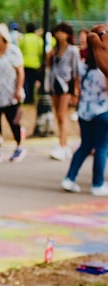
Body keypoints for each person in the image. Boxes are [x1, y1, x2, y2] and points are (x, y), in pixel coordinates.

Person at [60, 35, 108, 196]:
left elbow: (77, 87)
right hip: (102, 110)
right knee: (102, 147)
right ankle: (98, 184)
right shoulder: (104, 68)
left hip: (84, 110)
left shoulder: (82, 66)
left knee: (85, 145)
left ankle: (70, 178)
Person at [0, 23, 27, 162]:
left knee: (13, 120)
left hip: (10, 92)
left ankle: (19, 145)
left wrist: (18, 88)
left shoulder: (13, 51)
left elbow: (20, 71)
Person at [45, 22, 81, 161]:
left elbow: (76, 71)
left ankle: (63, 143)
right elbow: (48, 66)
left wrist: (76, 90)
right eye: (57, 32)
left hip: (66, 84)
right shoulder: (54, 50)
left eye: (62, 32)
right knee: (58, 115)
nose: (59, 35)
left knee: (62, 114)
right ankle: (62, 142)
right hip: (54, 83)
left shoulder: (72, 50)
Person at [18, 22, 44, 105]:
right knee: (32, 82)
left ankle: (27, 98)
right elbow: (41, 52)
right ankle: (31, 98)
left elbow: (19, 50)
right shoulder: (38, 39)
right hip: (35, 64)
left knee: (25, 81)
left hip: (25, 63)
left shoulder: (23, 38)